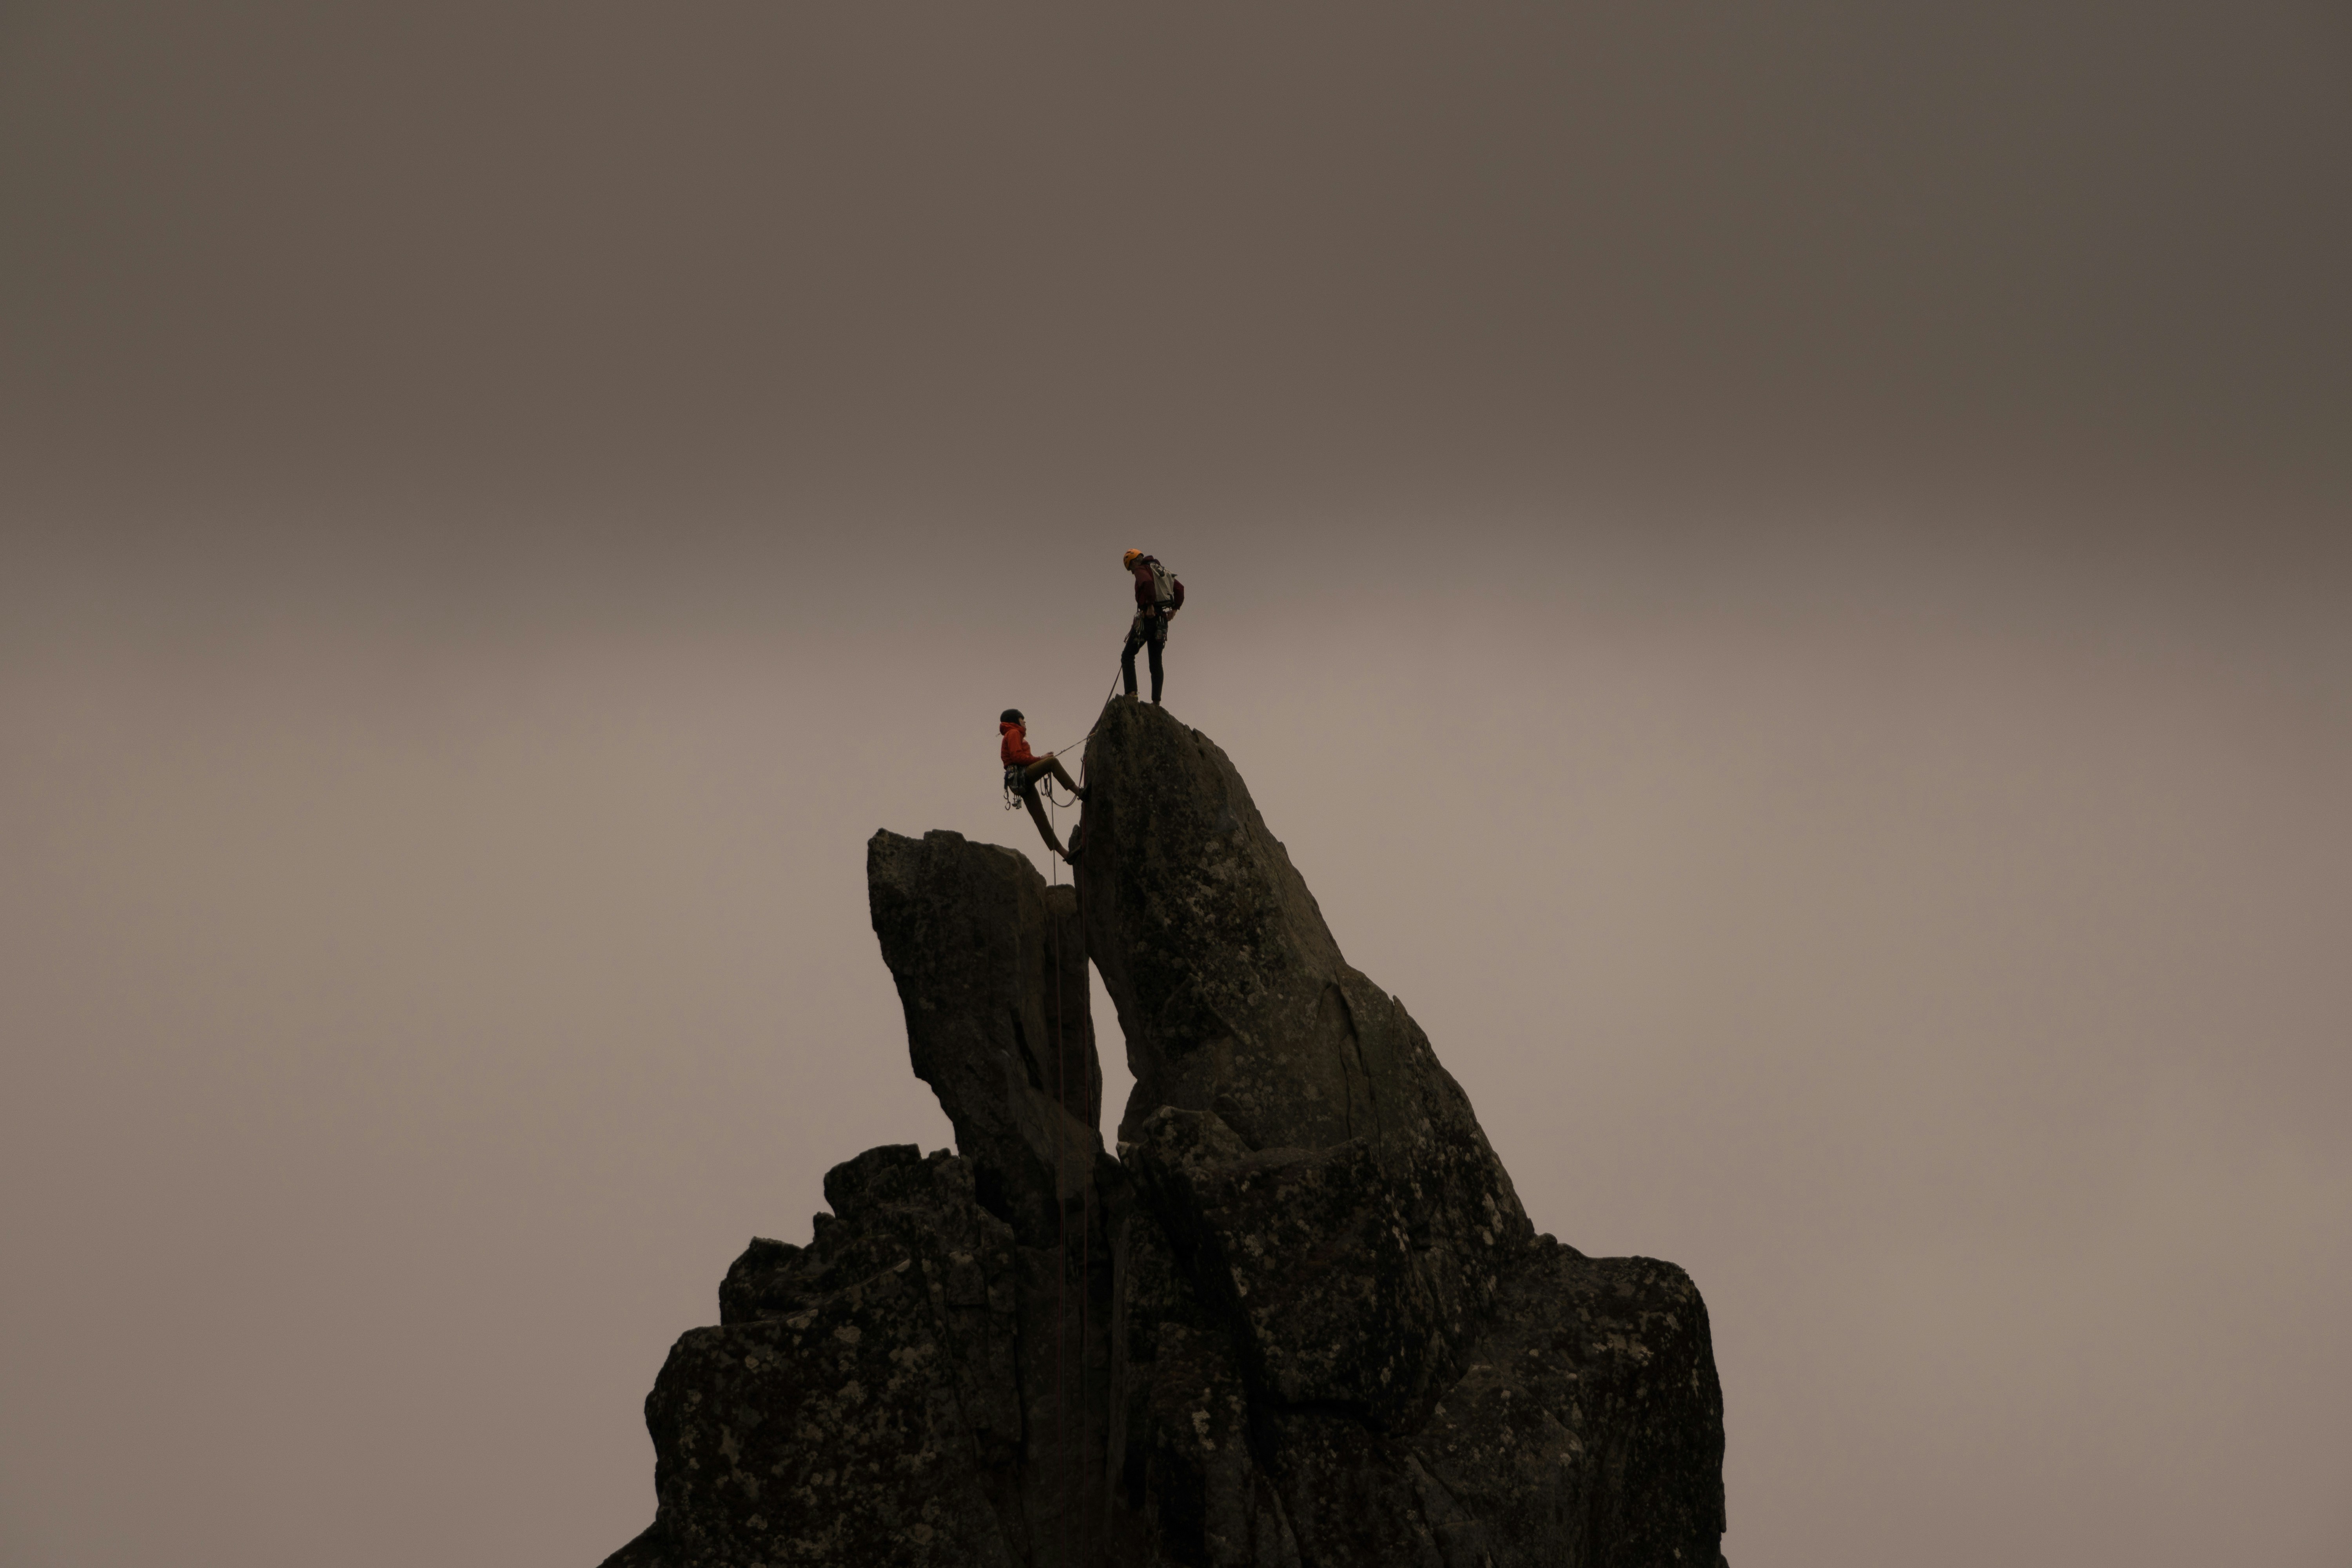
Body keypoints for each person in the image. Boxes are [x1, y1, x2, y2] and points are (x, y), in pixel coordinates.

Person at [1000, 708, 1085, 861]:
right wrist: (1041, 759)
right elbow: (1017, 757)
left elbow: (1022, 758)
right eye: (1022, 719)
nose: (1025, 722)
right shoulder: (1013, 733)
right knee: (1052, 762)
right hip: (1021, 776)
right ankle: (1079, 792)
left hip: (1017, 781)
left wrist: (1039, 760)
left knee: (1040, 818)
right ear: (1015, 721)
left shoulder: (1013, 734)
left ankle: (1066, 855)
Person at [1120, 549, 1185, 704]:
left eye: (1130, 568)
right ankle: (1156, 702)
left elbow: (1148, 584)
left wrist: (1149, 606)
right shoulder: (1160, 571)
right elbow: (1180, 588)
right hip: (1162, 621)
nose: (1132, 572)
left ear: (1133, 563)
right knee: (1156, 662)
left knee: (1127, 656)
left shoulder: (1141, 570)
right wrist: (1174, 610)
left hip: (1148, 620)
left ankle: (1132, 694)